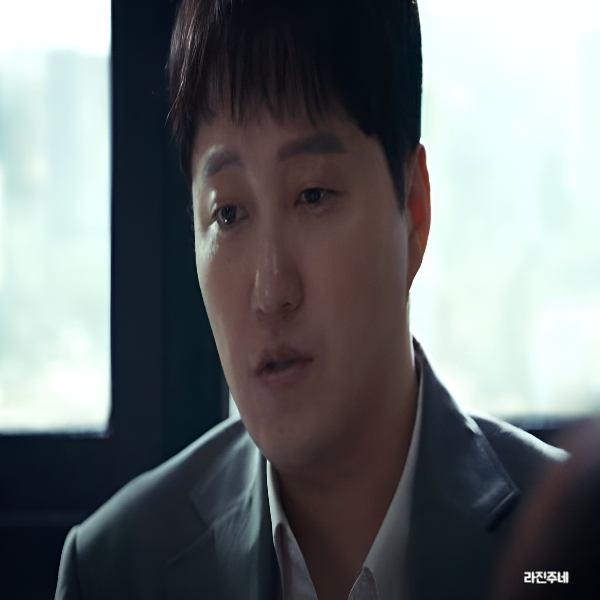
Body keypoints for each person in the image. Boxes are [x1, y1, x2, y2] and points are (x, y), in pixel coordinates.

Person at [55, 1, 567, 599]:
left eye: (313, 195)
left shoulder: (570, 547)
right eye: (229, 213)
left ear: (413, 210)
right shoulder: (116, 572)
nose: (271, 291)